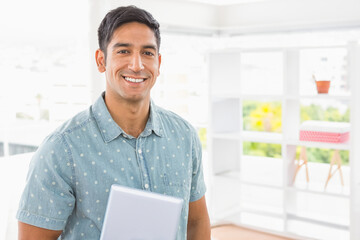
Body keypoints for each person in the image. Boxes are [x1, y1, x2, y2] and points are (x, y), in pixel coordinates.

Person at [16, 5, 210, 240]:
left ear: (158, 63)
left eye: (147, 53)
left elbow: (197, 222)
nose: (137, 65)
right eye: (123, 51)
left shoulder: (184, 136)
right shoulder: (61, 149)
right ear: (101, 60)